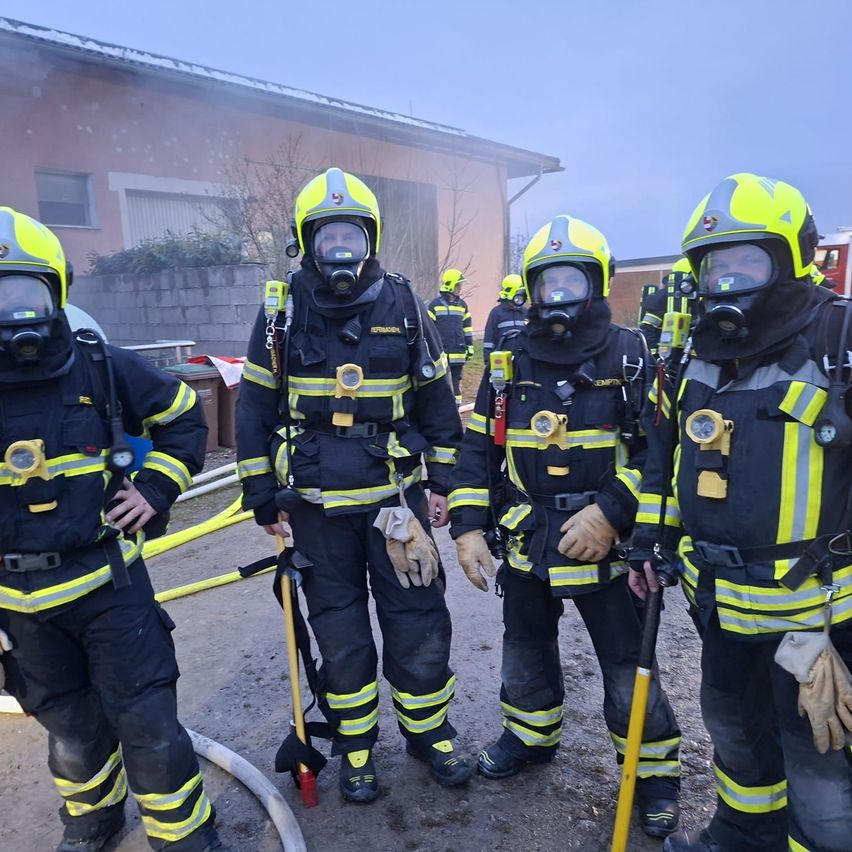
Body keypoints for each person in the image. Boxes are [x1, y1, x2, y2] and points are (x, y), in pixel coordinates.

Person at [629, 173, 852, 852]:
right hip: (720, 606)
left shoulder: (837, 341)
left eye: (746, 263)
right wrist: (648, 541)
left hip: (815, 622)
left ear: (791, 259)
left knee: (818, 760)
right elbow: (662, 460)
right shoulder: (694, 356)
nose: (726, 284)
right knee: (730, 725)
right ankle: (742, 830)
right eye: (713, 268)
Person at [235, 167, 470, 804]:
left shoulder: (404, 302)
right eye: (327, 236)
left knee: (419, 619)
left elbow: (437, 403)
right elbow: (254, 409)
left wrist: (442, 481)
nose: (341, 250)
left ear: (372, 238)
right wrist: (260, 496)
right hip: (313, 510)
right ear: (305, 242)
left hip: (396, 504)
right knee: (340, 634)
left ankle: (429, 733)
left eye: (353, 236)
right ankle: (357, 747)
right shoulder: (280, 311)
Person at [448, 214, 682, 839]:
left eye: (572, 281)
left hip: (602, 547)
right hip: (528, 541)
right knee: (524, 650)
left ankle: (653, 772)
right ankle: (530, 737)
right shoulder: (508, 360)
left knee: (626, 665)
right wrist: (468, 527)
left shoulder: (631, 355)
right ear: (530, 287)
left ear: (597, 283)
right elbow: (479, 449)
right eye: (547, 283)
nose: (559, 297)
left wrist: (611, 514)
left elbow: (662, 450)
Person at [0, 209, 221, 852]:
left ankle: (184, 837)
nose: (14, 312)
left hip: (108, 585)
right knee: (69, 729)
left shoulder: (98, 365)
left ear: (57, 290)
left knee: (148, 722)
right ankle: (93, 821)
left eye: (26, 290)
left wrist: (155, 489)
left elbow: (184, 416)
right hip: (20, 604)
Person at [428, 268, 474, 404]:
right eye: (458, 285)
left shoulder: (462, 306)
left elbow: (467, 328)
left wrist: (469, 346)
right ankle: (442, 408)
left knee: (455, 384)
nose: (460, 288)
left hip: (458, 354)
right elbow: (429, 329)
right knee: (440, 382)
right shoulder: (434, 305)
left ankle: (456, 410)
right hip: (440, 353)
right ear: (450, 285)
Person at [638, 257, 695, 358]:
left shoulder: (659, 299)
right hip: (673, 356)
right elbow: (648, 327)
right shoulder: (663, 299)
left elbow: (647, 328)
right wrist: (655, 355)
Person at [483, 273, 527, 354]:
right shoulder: (496, 313)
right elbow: (489, 340)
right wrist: (488, 361)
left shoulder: (525, 313)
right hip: (503, 358)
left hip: (522, 358)